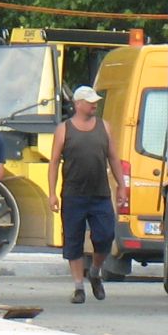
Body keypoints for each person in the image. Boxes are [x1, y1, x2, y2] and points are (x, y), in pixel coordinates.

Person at [46, 84, 130, 304]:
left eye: (95, 102)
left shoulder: (104, 127)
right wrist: (52, 193)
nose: (95, 105)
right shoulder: (64, 129)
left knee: (104, 236)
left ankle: (95, 271)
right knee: (72, 240)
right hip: (73, 194)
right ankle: (78, 287)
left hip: (100, 194)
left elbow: (113, 157)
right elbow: (54, 162)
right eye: (91, 102)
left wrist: (121, 185)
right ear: (78, 104)